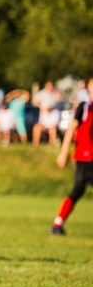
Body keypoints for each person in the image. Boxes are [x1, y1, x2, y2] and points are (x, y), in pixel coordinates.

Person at [50, 76, 93, 235]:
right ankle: (57, 223)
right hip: (85, 157)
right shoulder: (85, 107)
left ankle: (58, 223)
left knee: (78, 191)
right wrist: (64, 152)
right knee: (77, 191)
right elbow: (71, 130)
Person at [32, 81, 61, 147]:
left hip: (52, 119)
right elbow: (35, 101)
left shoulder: (55, 94)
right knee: (36, 128)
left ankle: (51, 144)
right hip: (44, 119)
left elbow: (59, 100)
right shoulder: (42, 94)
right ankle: (35, 145)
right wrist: (41, 106)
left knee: (52, 129)